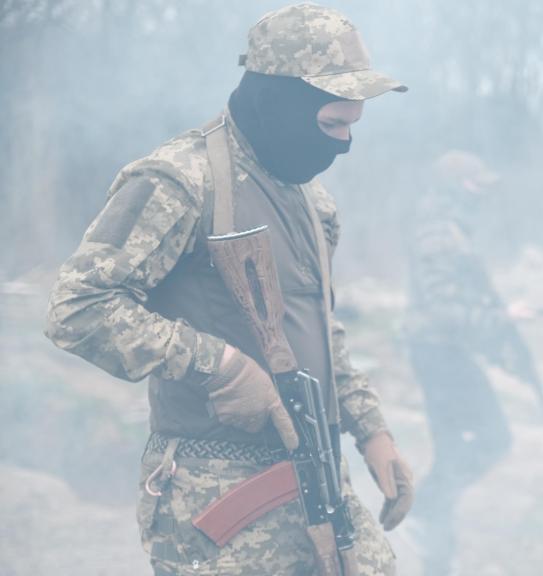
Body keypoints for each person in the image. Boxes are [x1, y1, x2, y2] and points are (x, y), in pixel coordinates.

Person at [44, 4, 413, 575]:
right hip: (213, 488)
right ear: (281, 102)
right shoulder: (181, 180)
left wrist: (370, 429)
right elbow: (80, 306)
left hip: (316, 473)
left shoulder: (312, 203)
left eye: (352, 127)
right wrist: (217, 366)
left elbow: (318, 327)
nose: (342, 145)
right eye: (331, 125)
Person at [404, 150, 543, 575]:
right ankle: (423, 516)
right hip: (438, 352)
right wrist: (503, 318)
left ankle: (434, 550)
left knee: (456, 449)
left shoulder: (450, 229)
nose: (483, 192)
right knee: (491, 438)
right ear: (453, 186)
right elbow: (443, 308)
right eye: (475, 184)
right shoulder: (437, 234)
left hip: (447, 351)